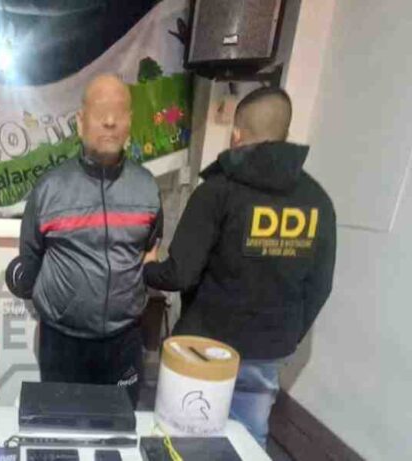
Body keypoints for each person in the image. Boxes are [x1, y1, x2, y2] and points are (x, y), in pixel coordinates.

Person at [143, 87, 336, 446]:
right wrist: (286, 336)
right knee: (247, 440)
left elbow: (180, 273)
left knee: (184, 437)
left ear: (236, 135)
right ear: (285, 133)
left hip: (204, 347)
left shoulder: (216, 192)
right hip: (268, 349)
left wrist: (148, 267)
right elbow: (320, 286)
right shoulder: (317, 200)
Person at [6, 74, 163, 406]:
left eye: (119, 112)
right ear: (80, 122)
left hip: (123, 342)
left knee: (119, 427)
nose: (110, 121)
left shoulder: (147, 187)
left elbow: (150, 250)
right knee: (62, 426)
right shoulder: (50, 188)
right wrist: (60, 307)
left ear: (130, 121)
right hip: (62, 343)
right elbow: (30, 258)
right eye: (100, 112)